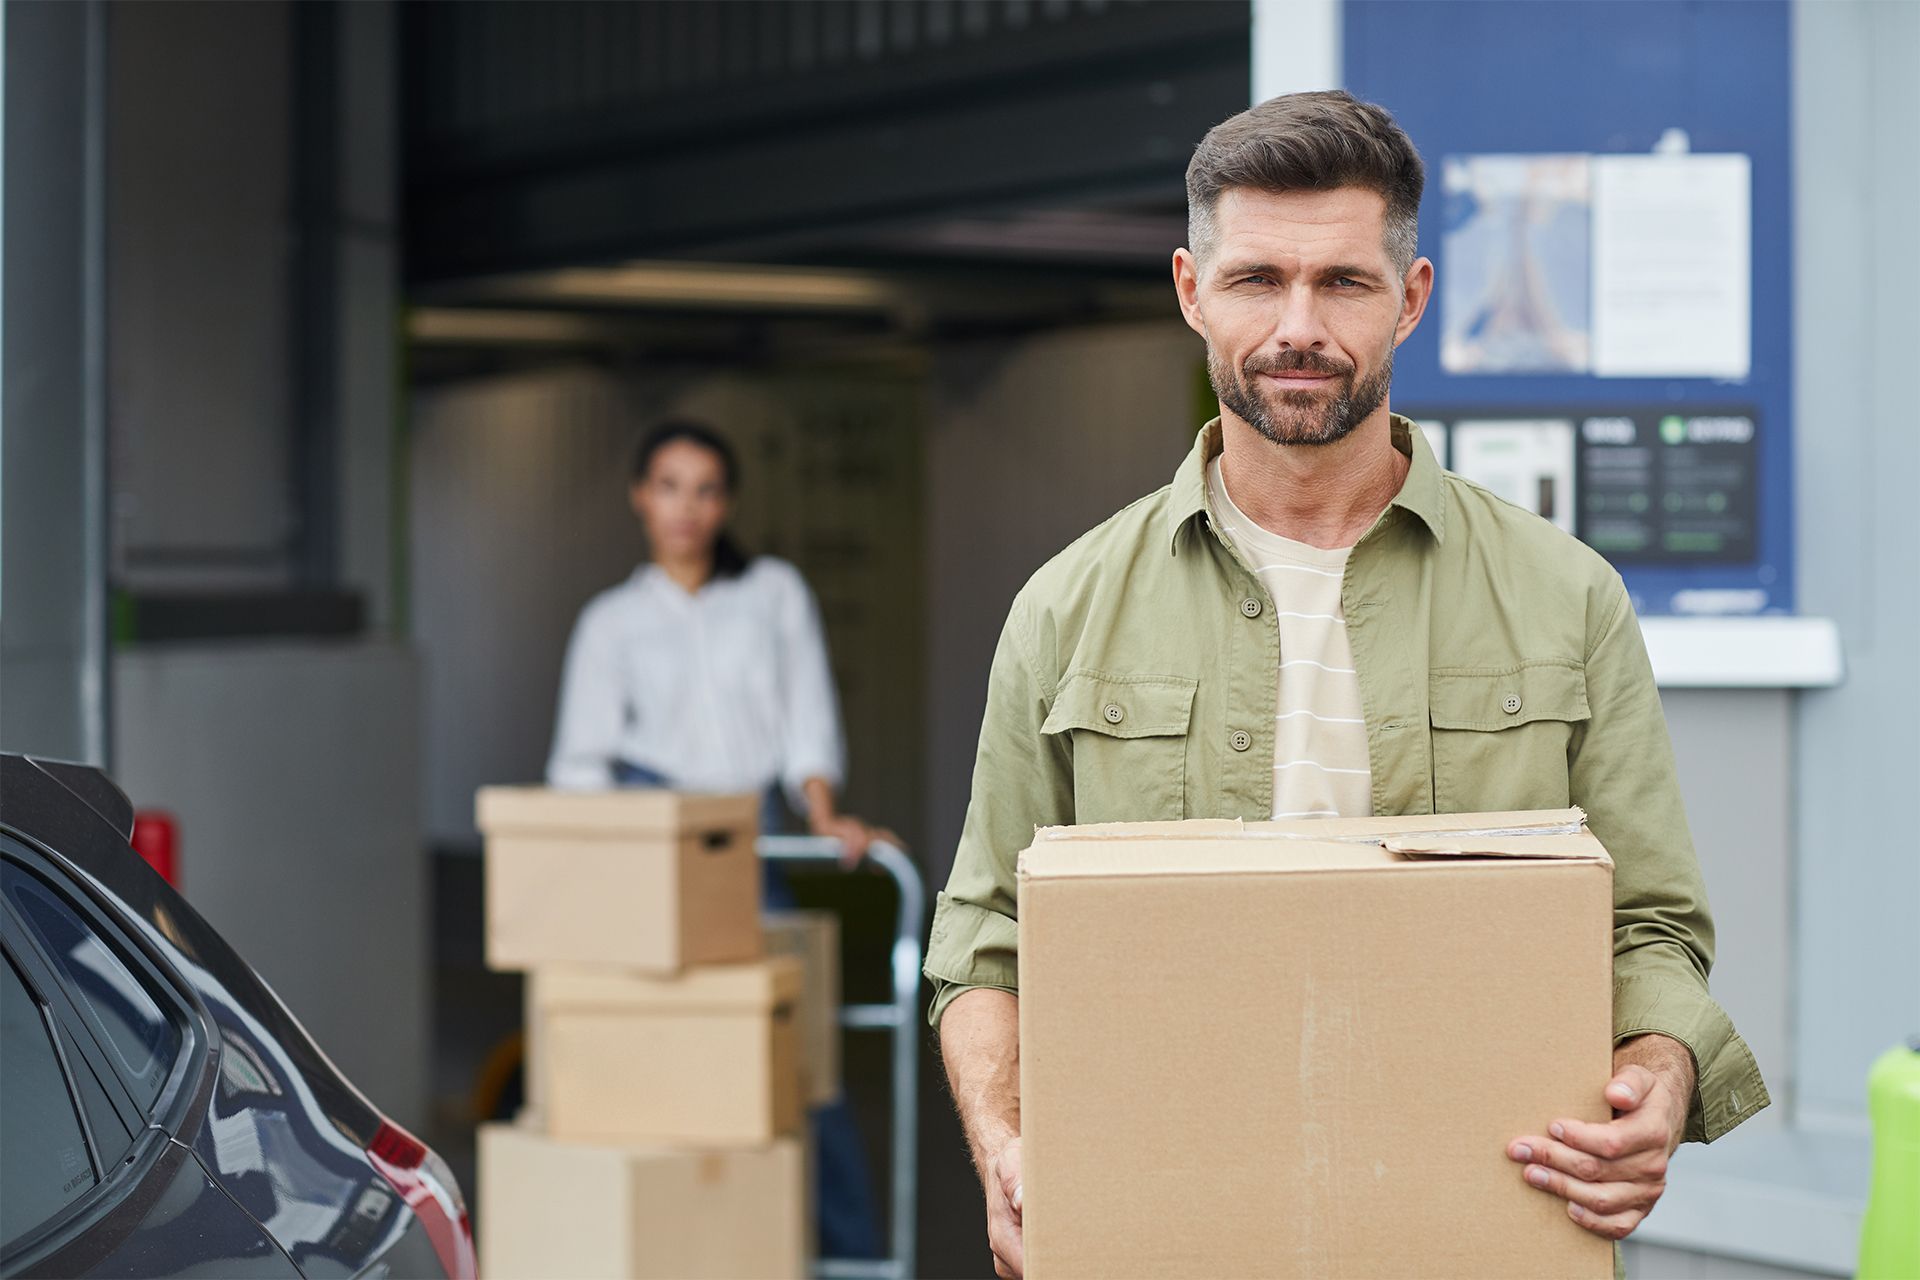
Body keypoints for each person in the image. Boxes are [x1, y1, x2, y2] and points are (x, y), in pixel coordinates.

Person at [923, 91, 1769, 1279]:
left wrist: (1659, 1077)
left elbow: (1651, 925)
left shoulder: (1564, 595)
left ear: (1412, 297)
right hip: (1165, 1235)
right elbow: (985, 942)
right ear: (1190, 291)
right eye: (1259, 278)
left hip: (1476, 1229)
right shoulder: (1066, 611)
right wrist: (1006, 1143)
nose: (1299, 324)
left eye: (1346, 282)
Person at [546, 418, 887, 1256]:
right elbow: (578, 766)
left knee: (795, 1063)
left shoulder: (773, 593)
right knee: (663, 1060)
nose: (685, 509)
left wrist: (822, 813)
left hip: (750, 842)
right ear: (639, 497)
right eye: (668, 487)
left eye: (704, 490)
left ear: (725, 502)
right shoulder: (611, 622)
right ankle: (697, 1248)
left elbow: (807, 719)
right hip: (648, 845)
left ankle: (854, 1258)